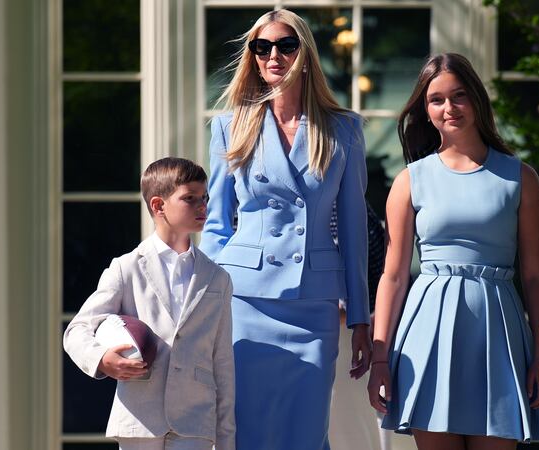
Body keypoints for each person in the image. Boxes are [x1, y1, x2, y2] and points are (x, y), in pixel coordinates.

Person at [367, 53, 539, 450]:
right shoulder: (409, 181)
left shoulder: (521, 178)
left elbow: (536, 275)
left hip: (499, 334)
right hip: (428, 334)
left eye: (459, 96)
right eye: (436, 99)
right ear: (426, 109)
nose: (448, 108)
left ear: (477, 99)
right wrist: (380, 359)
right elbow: (394, 276)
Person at [200, 9, 371, 450]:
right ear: (254, 58)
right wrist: (210, 304)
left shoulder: (343, 130)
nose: (274, 55)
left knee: (306, 433)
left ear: (306, 55)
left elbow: (353, 233)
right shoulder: (228, 127)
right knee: (248, 432)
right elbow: (216, 226)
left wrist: (360, 318)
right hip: (245, 302)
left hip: (313, 304)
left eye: (286, 45)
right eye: (262, 47)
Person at [64, 157, 235, 450]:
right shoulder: (126, 268)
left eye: (204, 197)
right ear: (158, 206)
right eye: (189, 199)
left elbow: (223, 366)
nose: (202, 206)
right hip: (139, 420)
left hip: (195, 423)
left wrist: (226, 440)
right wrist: (102, 359)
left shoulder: (218, 279)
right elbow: (77, 330)